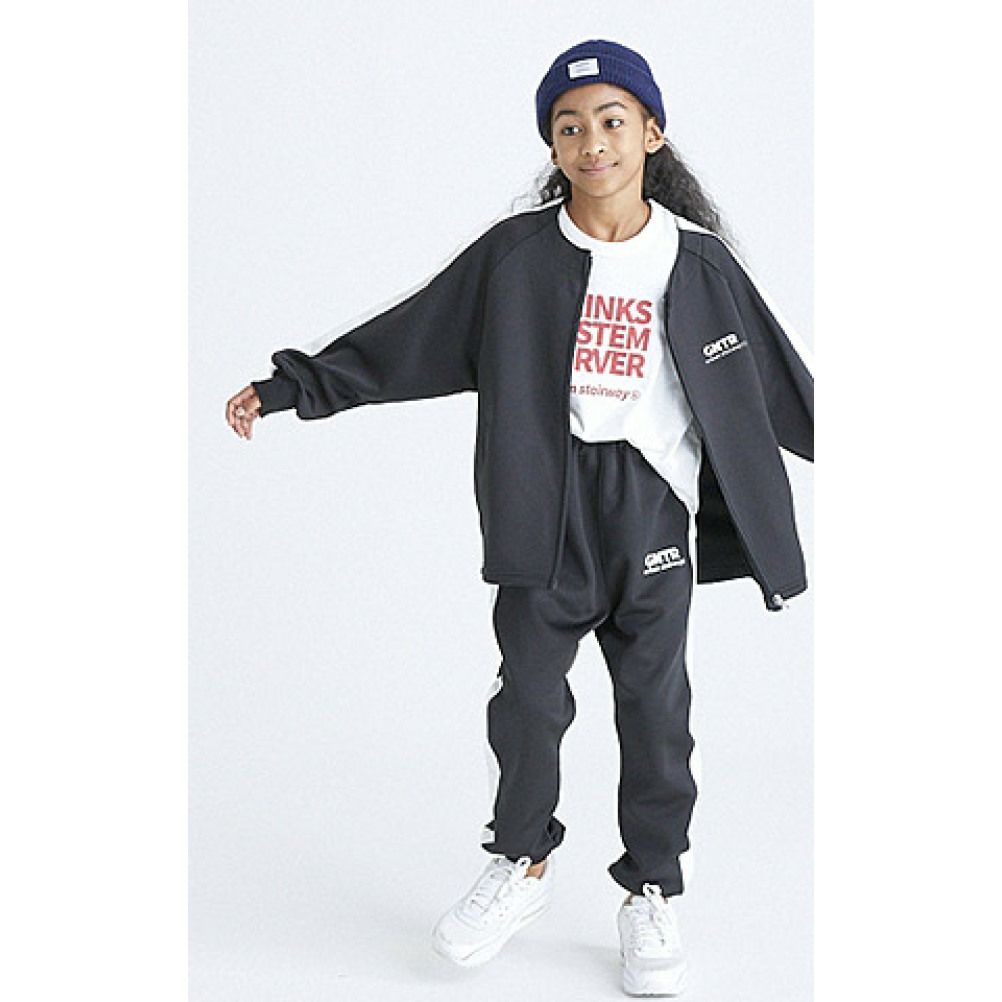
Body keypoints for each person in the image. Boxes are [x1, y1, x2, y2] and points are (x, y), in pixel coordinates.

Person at [226, 38, 813, 998]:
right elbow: (409, 334)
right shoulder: (516, 257)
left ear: (652, 134)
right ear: (553, 147)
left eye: (612, 121)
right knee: (528, 701)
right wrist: (293, 387)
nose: (592, 142)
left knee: (655, 710)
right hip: (544, 504)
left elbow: (783, 385)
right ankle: (521, 861)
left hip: (652, 510)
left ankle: (653, 888)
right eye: (569, 127)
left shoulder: (699, 264)